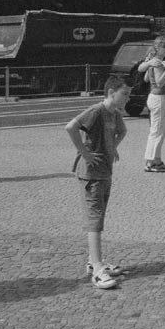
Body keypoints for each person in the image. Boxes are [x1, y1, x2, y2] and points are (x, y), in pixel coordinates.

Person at [65, 76, 131, 290]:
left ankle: (94, 262)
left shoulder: (115, 113)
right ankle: (97, 269)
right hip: (91, 174)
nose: (128, 99)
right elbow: (71, 127)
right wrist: (84, 152)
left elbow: (123, 131)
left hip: (105, 172)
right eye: (125, 94)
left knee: (99, 217)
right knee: (95, 221)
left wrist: (113, 147)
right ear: (111, 93)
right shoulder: (96, 111)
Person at [137, 35, 165, 173]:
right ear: (158, 48)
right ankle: (150, 162)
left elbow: (147, 77)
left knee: (159, 130)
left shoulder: (154, 61)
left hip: (156, 97)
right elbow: (159, 83)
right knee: (157, 131)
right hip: (159, 97)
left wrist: (149, 66)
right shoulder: (159, 63)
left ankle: (156, 160)